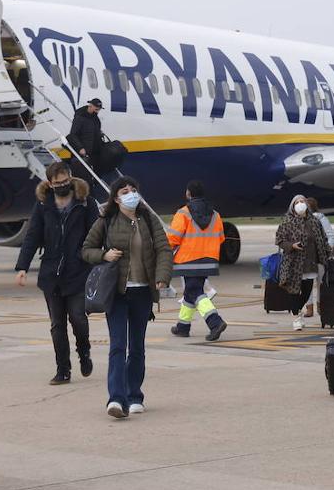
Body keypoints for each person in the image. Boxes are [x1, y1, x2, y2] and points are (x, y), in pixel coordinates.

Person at [81, 177, 172, 419]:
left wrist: (162, 276)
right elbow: (86, 250)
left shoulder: (148, 220)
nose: (131, 193)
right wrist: (104, 255)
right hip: (117, 292)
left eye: (134, 189)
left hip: (142, 291)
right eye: (125, 190)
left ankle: (135, 396)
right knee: (118, 345)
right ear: (116, 197)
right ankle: (116, 399)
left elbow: (164, 249)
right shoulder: (106, 220)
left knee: (137, 348)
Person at [14, 161, 99, 385]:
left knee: (78, 319)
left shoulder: (85, 203)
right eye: (56, 183)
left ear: (70, 179)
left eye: (65, 181)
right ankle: (63, 369)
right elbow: (32, 236)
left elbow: (96, 234)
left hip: (78, 271)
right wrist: (22, 266)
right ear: (49, 184)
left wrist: (96, 259)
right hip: (51, 274)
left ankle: (84, 351)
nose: (61, 185)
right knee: (56, 325)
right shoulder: (43, 205)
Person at [167, 180, 228, 341]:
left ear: (188, 193)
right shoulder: (215, 214)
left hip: (189, 259)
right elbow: (221, 238)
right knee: (190, 292)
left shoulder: (183, 213)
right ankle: (183, 326)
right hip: (209, 259)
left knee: (195, 291)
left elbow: (173, 237)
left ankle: (215, 322)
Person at [275, 194, 333, 331]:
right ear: (293, 206)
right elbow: (279, 240)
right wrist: (292, 246)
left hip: (310, 262)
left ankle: (296, 310)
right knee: (294, 291)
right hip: (293, 263)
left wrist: (328, 253)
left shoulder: (314, 222)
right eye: (297, 202)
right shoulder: (287, 222)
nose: (300, 204)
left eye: (302, 201)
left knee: (306, 291)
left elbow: (323, 239)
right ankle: (296, 317)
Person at [304, 197, 334, 319]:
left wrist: (326, 249)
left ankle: (313, 307)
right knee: (320, 283)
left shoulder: (320, 219)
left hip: (314, 257)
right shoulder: (302, 220)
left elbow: (331, 237)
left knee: (312, 283)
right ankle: (317, 307)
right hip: (313, 257)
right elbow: (332, 237)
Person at [66, 98, 104, 182]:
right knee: (82, 176)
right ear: (90, 106)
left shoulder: (95, 119)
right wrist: (80, 148)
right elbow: (73, 134)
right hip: (83, 153)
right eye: (96, 109)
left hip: (93, 153)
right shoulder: (80, 117)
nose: (97, 112)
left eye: (99, 110)